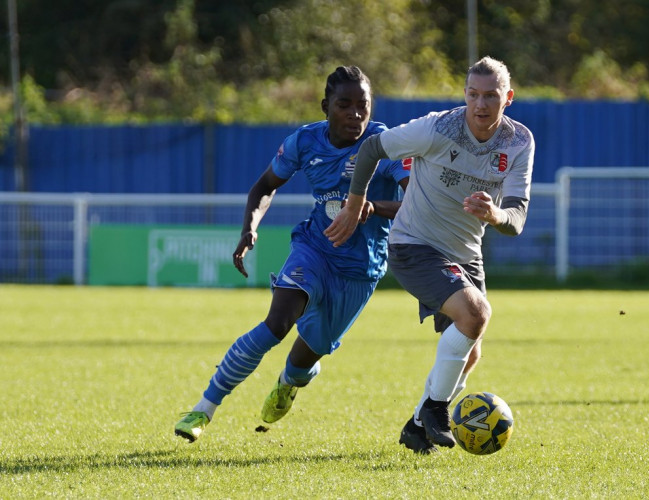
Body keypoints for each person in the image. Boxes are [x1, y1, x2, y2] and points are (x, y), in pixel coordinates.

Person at [174, 66, 409, 442]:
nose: (355, 114)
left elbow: (418, 201)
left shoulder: (386, 143)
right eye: (344, 105)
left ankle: (289, 382)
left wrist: (371, 207)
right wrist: (250, 227)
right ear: (325, 107)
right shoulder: (305, 142)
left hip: (359, 270)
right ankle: (203, 409)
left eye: (362, 105)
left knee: (303, 362)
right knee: (277, 323)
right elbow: (264, 186)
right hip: (314, 248)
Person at [325, 56, 534, 452]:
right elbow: (371, 150)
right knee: (476, 314)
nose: (481, 104)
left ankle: (419, 424)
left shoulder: (519, 141)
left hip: (466, 253)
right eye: (473, 94)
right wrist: (354, 206)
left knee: (470, 352)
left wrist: (495, 214)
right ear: (465, 95)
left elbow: (517, 218)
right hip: (414, 245)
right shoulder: (438, 128)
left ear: (507, 98)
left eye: (490, 96)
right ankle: (437, 408)